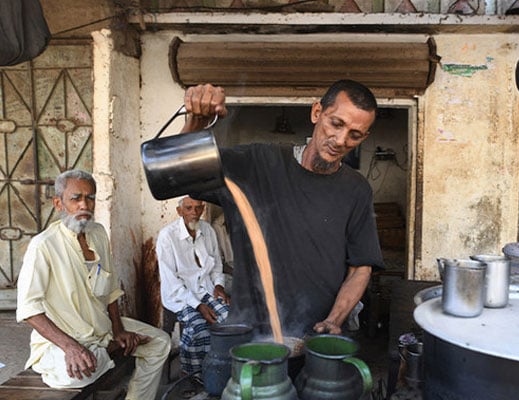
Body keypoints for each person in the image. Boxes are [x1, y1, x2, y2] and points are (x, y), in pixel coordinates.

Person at [180, 79, 384, 337]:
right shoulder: (257, 164)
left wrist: (334, 320)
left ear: (364, 137)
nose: (341, 140)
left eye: (354, 135)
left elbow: (360, 268)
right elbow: (181, 175)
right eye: (336, 123)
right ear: (317, 112)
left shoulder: (356, 189)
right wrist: (196, 122)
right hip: (249, 337)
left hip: (317, 338)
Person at [15, 169, 170, 400]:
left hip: (102, 329)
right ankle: (103, 351)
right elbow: (29, 310)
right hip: (64, 338)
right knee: (76, 374)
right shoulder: (43, 246)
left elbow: (110, 291)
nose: (84, 205)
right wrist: (71, 348)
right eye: (75, 198)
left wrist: (118, 329)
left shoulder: (98, 233)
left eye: (90, 197)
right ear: (59, 203)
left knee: (161, 342)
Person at [156, 195, 230, 376]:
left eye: (199, 208)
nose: (194, 213)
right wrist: (199, 306)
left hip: (206, 289)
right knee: (198, 328)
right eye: (189, 208)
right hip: (180, 295)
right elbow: (172, 282)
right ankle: (192, 375)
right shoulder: (167, 236)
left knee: (228, 318)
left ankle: (219, 369)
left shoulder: (208, 231)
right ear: (179, 211)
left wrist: (219, 285)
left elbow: (216, 265)